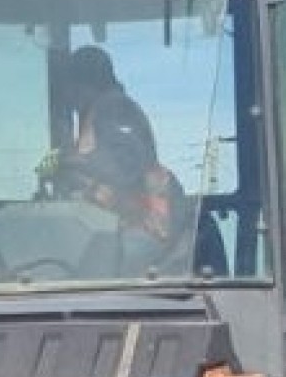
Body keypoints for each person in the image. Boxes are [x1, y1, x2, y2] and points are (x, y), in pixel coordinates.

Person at [51, 45, 186, 258]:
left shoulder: (114, 108)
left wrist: (73, 162)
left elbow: (127, 164)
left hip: (141, 227)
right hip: (123, 224)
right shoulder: (100, 111)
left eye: (70, 88)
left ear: (85, 84)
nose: (68, 97)